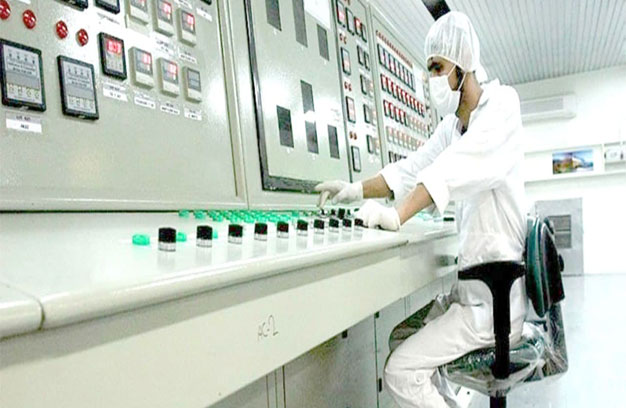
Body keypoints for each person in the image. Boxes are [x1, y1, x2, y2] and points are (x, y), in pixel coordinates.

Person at [315, 11, 528, 408]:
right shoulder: (453, 127)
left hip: (494, 302)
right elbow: (412, 169)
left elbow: (448, 170)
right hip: (471, 291)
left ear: (463, 65)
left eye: (437, 68)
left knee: (400, 372)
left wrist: (397, 215)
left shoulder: (502, 106)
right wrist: (354, 189)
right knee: (401, 339)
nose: (431, 78)